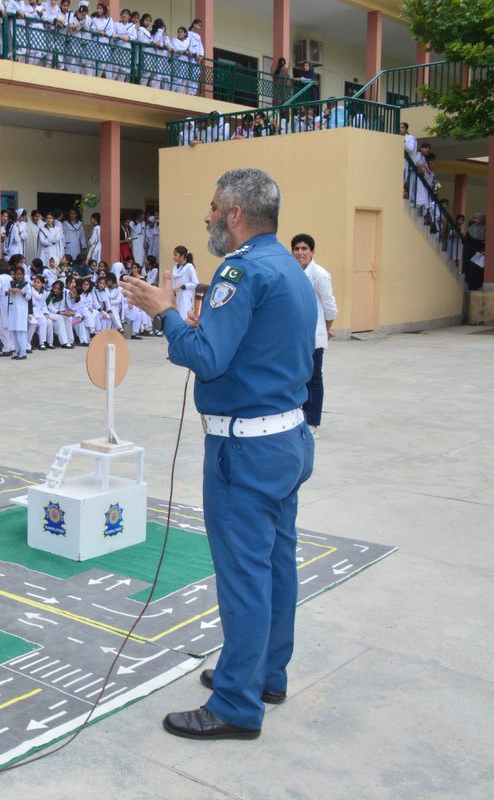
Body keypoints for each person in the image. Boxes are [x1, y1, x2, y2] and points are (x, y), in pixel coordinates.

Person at [121, 168, 316, 741]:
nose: (206, 217)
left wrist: (164, 312)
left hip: (246, 449)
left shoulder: (241, 268)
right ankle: (265, 675)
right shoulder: (289, 266)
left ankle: (235, 704)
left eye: (212, 208)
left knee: (244, 576)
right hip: (287, 439)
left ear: (235, 213)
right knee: (276, 565)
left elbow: (207, 357)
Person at [290, 234, 336, 437]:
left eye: (304, 249)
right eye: (297, 249)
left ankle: (313, 423)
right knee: (297, 377)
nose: (300, 253)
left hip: (314, 336)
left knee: (314, 378)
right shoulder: (291, 273)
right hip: (294, 336)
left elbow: (330, 307)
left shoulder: (319, 274)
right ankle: (298, 418)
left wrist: (325, 329)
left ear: (312, 252)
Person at [171, 245, 199, 320]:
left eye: (175, 255)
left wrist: (182, 286)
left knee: (184, 316)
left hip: (185, 296)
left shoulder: (189, 267)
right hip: (176, 296)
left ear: (182, 256)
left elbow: (195, 283)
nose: (173, 257)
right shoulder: (175, 268)